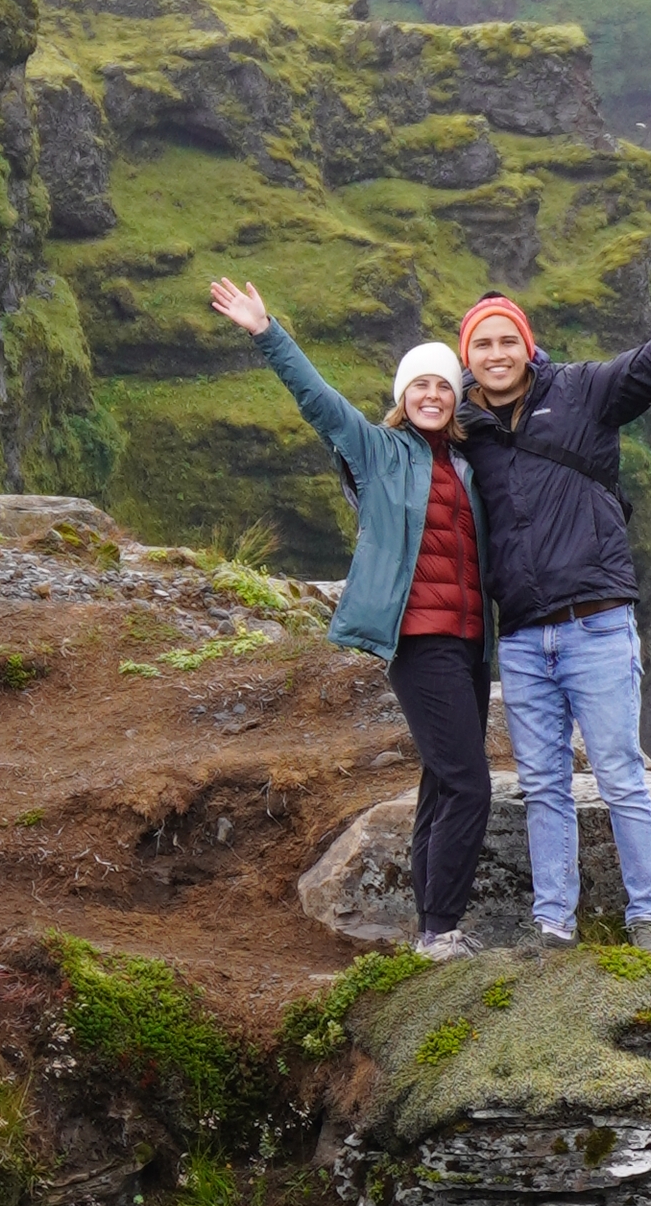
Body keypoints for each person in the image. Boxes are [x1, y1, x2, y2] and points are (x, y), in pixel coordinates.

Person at [456, 253, 651, 943]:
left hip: (596, 626)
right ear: (466, 357)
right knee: (543, 786)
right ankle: (553, 925)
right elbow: (384, 457)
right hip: (521, 640)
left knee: (620, 777)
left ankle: (647, 919)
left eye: (507, 339)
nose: (497, 353)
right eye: (483, 343)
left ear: (527, 344)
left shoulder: (581, 392)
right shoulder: (462, 432)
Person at [202, 288, 492, 961]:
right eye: (419, 384)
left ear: (456, 398)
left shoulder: (470, 467)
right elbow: (318, 400)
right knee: (472, 783)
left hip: (472, 644)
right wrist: (267, 331)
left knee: (443, 782)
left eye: (442, 386)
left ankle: (431, 931)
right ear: (403, 394)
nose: (430, 395)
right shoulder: (378, 451)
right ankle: (443, 930)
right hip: (419, 640)